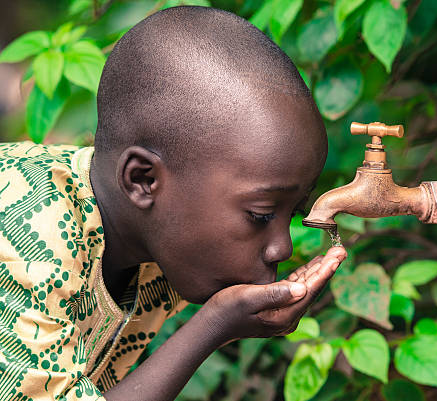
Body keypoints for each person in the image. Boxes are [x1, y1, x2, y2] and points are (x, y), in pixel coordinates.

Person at [0, 6, 347, 401]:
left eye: (293, 212)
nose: (282, 247)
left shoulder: (153, 242)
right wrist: (213, 326)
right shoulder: (30, 243)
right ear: (143, 180)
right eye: (260, 214)